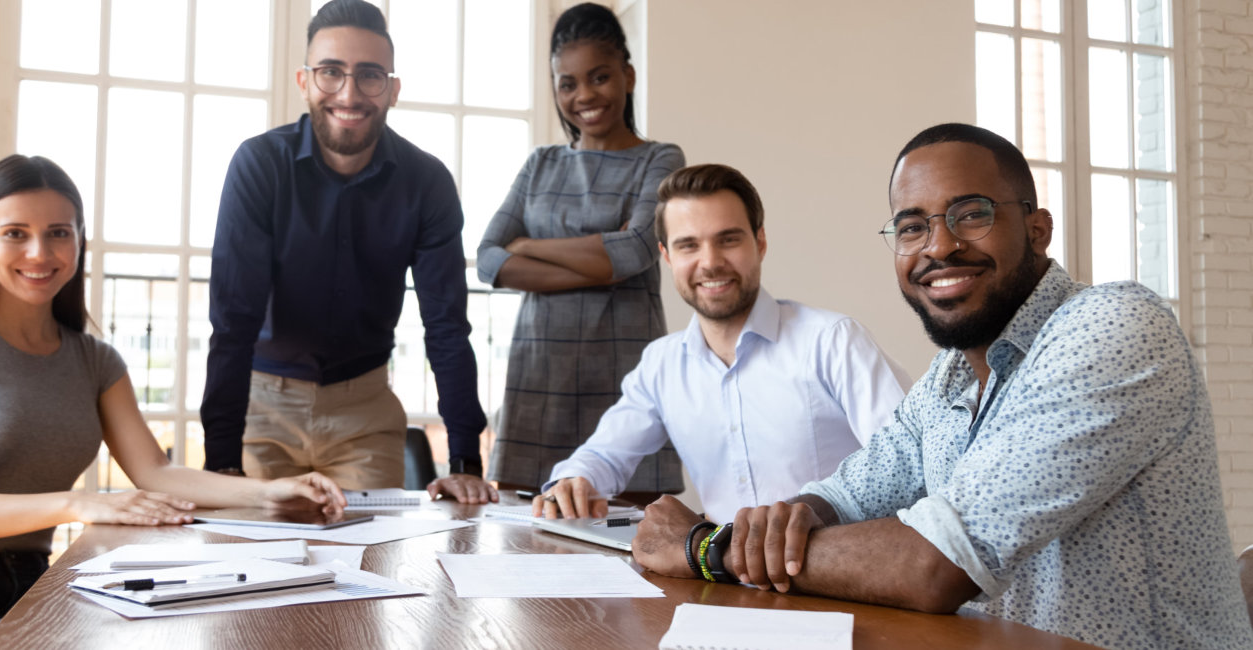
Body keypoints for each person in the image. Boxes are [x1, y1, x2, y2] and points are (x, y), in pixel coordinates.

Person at [632, 124, 1253, 649]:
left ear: (1038, 230)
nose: (940, 247)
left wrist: (708, 547)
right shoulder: (954, 373)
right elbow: (845, 496)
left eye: (971, 214)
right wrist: (786, 522)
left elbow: (936, 563)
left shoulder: (1115, 327)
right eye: (911, 227)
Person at [0, 154, 347, 650]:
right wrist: (81, 503)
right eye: (15, 233)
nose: (40, 252)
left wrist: (269, 491)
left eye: (59, 233)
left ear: (79, 241)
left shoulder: (95, 360)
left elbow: (157, 472)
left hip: (38, 589)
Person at [202, 0, 494, 504]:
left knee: (369, 573)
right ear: (304, 81)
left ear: (393, 89)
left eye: (369, 75)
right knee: (255, 566)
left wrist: (465, 460)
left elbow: (446, 324)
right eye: (331, 73)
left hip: (364, 414)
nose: (349, 93)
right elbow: (234, 321)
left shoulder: (427, 183)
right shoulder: (259, 165)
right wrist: (222, 459)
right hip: (262, 410)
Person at [531, 164, 909, 524]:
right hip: (720, 576)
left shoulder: (832, 342)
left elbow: (909, 462)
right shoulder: (661, 364)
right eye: (688, 245)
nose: (710, 262)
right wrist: (576, 480)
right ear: (667, 256)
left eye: (727, 240)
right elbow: (605, 455)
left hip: (838, 575)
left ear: (760, 242)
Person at [477, 3, 686, 500]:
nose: (584, 95)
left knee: (633, 550)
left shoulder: (660, 158)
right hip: (537, 377)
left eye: (599, 77)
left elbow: (636, 250)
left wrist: (529, 247)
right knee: (520, 544)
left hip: (623, 381)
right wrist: (601, 264)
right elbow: (488, 258)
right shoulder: (540, 164)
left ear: (628, 76)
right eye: (567, 83)